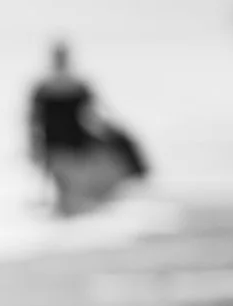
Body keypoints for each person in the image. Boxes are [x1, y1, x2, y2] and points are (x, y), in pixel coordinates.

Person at [26, 40, 146, 217]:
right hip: (59, 145)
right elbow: (34, 122)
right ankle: (66, 218)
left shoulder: (66, 86)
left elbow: (93, 115)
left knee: (69, 187)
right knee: (65, 185)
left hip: (69, 144)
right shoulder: (49, 88)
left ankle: (67, 219)